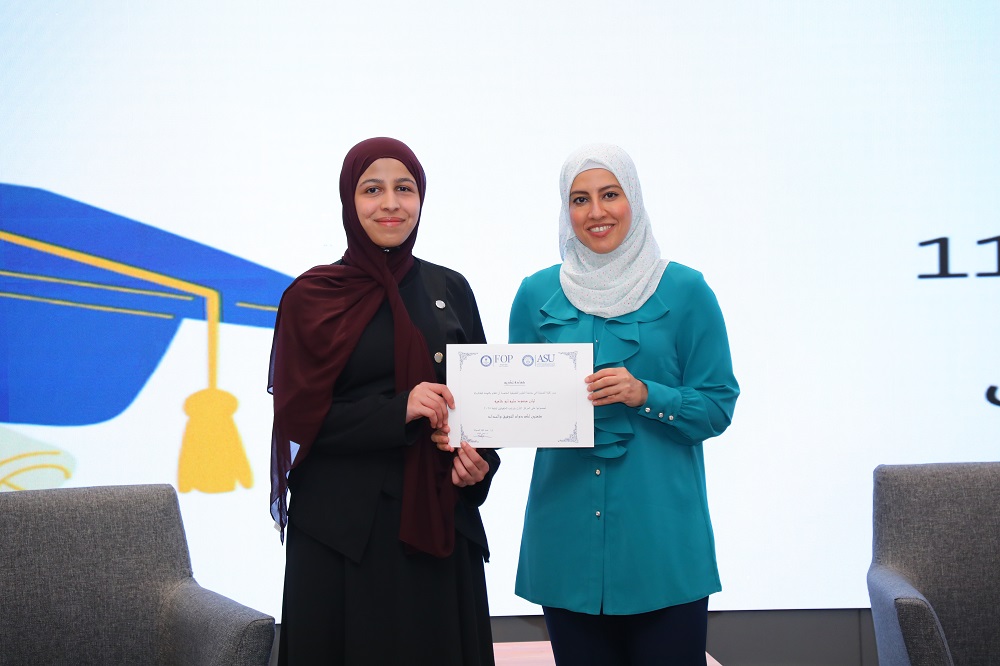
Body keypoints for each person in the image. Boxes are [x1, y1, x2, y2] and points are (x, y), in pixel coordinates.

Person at [269, 137, 500, 666]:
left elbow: (478, 407)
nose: (390, 204)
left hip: (437, 525)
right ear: (349, 199)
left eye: (405, 189)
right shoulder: (312, 296)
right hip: (344, 538)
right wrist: (400, 409)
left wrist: (478, 466)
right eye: (372, 189)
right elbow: (299, 418)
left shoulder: (451, 288)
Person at [508, 143, 739, 665]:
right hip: (565, 545)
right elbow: (516, 404)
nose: (596, 212)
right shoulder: (536, 294)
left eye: (610, 194)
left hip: (662, 548)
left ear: (633, 197)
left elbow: (718, 406)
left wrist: (646, 394)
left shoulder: (686, 290)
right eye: (580, 199)